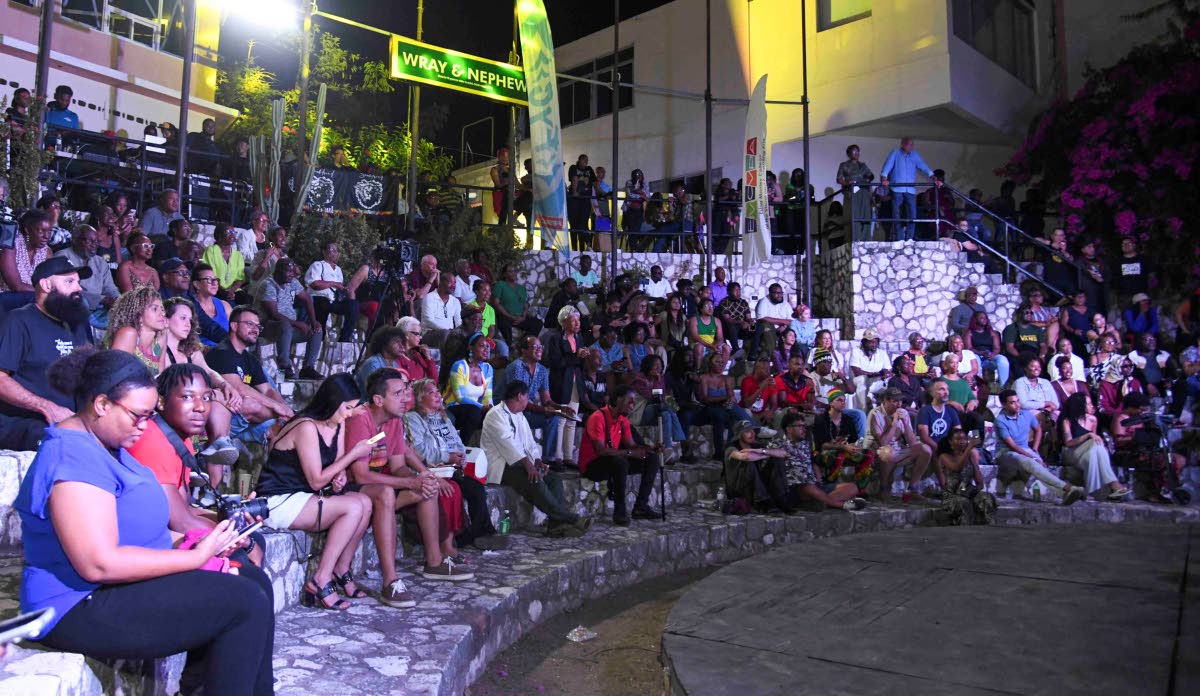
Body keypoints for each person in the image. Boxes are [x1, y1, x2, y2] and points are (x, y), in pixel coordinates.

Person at [14, 349, 275, 695]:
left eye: (150, 416)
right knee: (245, 602)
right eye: (138, 416)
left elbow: (137, 527)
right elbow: (98, 564)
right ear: (102, 404)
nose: (145, 426)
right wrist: (195, 557)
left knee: (254, 579)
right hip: (77, 604)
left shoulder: (108, 445)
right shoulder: (72, 456)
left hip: (117, 587)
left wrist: (201, 541)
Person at [346, 369, 474, 605]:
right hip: (352, 488)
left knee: (426, 488)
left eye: (405, 391)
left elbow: (398, 467)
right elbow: (360, 476)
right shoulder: (360, 419)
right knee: (387, 493)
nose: (405, 398)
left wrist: (420, 478)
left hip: (379, 484)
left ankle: (434, 561)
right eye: (398, 393)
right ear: (378, 400)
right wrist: (410, 481)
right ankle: (390, 581)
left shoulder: (394, 420)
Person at [254, 374, 376, 609]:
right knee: (352, 507)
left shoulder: (338, 423)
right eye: (348, 408)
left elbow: (336, 467)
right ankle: (321, 579)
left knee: (365, 502)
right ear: (333, 401)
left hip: (304, 496)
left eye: (353, 408)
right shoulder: (306, 427)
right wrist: (354, 454)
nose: (350, 414)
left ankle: (342, 568)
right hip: (278, 500)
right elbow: (317, 480)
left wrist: (340, 478)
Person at [127, 363, 262, 568]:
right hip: (147, 546)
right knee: (245, 556)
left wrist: (235, 518)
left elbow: (185, 508)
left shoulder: (183, 441)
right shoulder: (152, 440)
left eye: (206, 398)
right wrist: (243, 539)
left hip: (169, 532)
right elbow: (180, 521)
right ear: (161, 401)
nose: (200, 407)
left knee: (252, 540)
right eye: (188, 397)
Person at [0, 257, 93, 450]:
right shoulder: (19, 321)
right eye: (69, 281)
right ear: (46, 285)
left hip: (72, 419)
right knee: (72, 448)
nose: (78, 288)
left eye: (78, 282)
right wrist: (46, 407)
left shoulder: (76, 323)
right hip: (27, 422)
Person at [405, 378, 505, 550]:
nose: (438, 395)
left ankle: (482, 534)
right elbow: (419, 450)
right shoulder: (413, 418)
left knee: (477, 489)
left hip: (451, 468)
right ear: (420, 398)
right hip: (433, 469)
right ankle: (471, 536)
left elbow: (458, 443)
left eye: (438, 391)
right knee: (464, 490)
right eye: (431, 392)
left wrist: (461, 456)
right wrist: (447, 457)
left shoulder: (443, 417)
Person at [483, 381, 592, 536]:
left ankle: (555, 526)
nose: (528, 400)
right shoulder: (495, 415)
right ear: (520, 396)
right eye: (527, 397)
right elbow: (508, 444)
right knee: (534, 479)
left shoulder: (519, 415)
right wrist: (528, 465)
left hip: (520, 463)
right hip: (501, 467)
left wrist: (537, 461)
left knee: (554, 479)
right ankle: (571, 519)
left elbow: (529, 443)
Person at [206, 306, 294, 441]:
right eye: (250, 324)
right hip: (218, 415)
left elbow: (267, 389)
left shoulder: (250, 359)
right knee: (250, 404)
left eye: (258, 326)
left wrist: (285, 410)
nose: (255, 330)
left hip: (243, 418)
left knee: (279, 426)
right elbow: (239, 388)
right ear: (234, 326)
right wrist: (276, 407)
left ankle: (256, 435)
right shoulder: (222, 353)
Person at [579, 385, 663, 525]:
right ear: (619, 400)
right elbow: (601, 451)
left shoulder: (622, 420)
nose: (632, 406)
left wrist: (649, 448)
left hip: (613, 461)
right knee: (620, 461)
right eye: (630, 402)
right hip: (592, 466)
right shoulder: (597, 417)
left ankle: (641, 507)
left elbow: (631, 445)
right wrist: (630, 453)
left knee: (652, 459)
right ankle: (620, 511)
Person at [993, 389, 1085, 504]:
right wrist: (1032, 457)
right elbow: (1012, 445)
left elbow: (1038, 429)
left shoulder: (1026, 414)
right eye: (1012, 402)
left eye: (1018, 401)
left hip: (1024, 449)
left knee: (1040, 466)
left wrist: (1035, 449)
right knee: (1030, 462)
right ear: (1004, 405)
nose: (1017, 405)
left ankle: (1064, 494)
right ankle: (1067, 488)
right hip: (1006, 452)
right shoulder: (1000, 420)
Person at [769, 410, 866, 510]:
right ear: (789, 429)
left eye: (804, 426)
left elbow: (813, 460)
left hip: (815, 485)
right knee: (808, 487)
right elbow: (771, 460)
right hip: (797, 487)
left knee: (852, 487)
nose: (804, 429)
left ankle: (820, 503)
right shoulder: (778, 444)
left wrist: (816, 471)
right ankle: (840, 504)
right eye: (800, 426)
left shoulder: (806, 444)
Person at [506, 335, 574, 469]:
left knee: (553, 417)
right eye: (535, 347)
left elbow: (546, 400)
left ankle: (548, 460)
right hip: (509, 411)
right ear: (524, 351)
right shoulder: (516, 367)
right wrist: (543, 410)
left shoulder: (542, 370)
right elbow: (517, 400)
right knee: (547, 414)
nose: (539, 350)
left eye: (541, 347)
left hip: (524, 410)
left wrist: (561, 408)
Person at [260, 258, 323, 380]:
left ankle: (308, 368)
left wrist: (313, 321)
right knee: (285, 325)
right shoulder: (269, 285)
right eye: (289, 271)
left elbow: (307, 299)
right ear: (279, 271)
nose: (292, 274)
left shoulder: (292, 282)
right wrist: (298, 324)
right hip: (267, 327)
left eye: (293, 272)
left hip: (289, 328)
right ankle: (284, 367)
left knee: (317, 330)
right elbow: (274, 314)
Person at [865, 387, 932, 502]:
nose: (899, 404)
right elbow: (883, 443)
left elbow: (912, 442)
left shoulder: (903, 412)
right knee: (887, 451)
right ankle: (884, 489)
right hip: (876, 451)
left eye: (900, 400)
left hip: (898, 448)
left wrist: (905, 423)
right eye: (895, 401)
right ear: (886, 401)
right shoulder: (875, 413)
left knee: (926, 450)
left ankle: (912, 490)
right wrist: (895, 423)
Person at [1060, 392, 1129, 501]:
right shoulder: (1067, 421)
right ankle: (1113, 483)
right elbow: (1068, 442)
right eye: (1088, 404)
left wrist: (1094, 438)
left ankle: (1090, 493)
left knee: (1091, 456)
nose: (1092, 406)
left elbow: (1096, 448)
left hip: (1086, 453)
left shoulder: (1093, 419)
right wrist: (1087, 435)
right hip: (1071, 452)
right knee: (1094, 442)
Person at [812, 389, 876, 497]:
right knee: (839, 456)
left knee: (868, 454)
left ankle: (860, 489)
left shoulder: (848, 419)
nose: (843, 403)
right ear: (831, 403)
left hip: (845, 451)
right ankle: (831, 488)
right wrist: (843, 447)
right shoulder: (821, 419)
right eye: (839, 400)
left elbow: (854, 440)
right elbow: (822, 445)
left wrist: (855, 447)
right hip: (823, 453)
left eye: (844, 400)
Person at [55, 224, 119, 329]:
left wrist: (119, 301)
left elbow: (110, 288)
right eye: (90, 241)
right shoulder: (63, 257)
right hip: (73, 306)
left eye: (97, 241)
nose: (94, 245)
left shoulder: (100, 262)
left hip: (100, 309)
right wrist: (102, 299)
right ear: (75, 240)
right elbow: (66, 290)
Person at [724, 420, 794, 513]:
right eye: (747, 431)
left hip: (754, 487)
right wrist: (765, 455)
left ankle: (781, 499)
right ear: (739, 435)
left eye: (752, 430)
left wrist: (762, 451)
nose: (752, 433)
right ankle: (763, 502)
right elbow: (745, 457)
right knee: (748, 464)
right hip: (739, 489)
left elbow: (783, 453)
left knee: (777, 460)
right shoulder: (731, 448)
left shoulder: (756, 445)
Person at [934, 427, 997, 525]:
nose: (962, 442)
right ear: (950, 441)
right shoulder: (944, 457)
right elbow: (957, 468)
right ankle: (965, 529)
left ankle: (989, 526)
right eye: (958, 439)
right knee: (964, 502)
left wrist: (971, 491)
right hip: (951, 495)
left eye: (964, 439)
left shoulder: (970, 457)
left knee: (986, 498)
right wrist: (969, 449)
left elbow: (980, 482)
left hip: (968, 492)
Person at [879, 137, 938, 241]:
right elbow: (888, 165)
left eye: (912, 144)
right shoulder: (895, 153)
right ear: (902, 144)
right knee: (897, 215)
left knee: (912, 214)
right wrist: (884, 178)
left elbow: (923, 166)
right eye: (909, 144)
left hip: (910, 190)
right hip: (897, 189)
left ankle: (909, 238)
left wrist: (932, 176)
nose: (911, 146)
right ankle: (900, 239)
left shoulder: (915, 155)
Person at [442, 332, 494, 446]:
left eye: (487, 346)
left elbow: (488, 396)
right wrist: (482, 407)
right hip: (453, 407)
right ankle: (462, 446)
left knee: (496, 415)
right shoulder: (459, 365)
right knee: (474, 412)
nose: (486, 349)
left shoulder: (488, 369)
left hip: (475, 410)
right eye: (482, 346)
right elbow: (460, 397)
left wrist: (491, 408)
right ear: (471, 347)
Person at [305, 240, 359, 343]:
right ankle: (319, 338)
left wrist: (344, 290)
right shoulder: (318, 265)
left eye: (336, 251)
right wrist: (334, 284)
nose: (334, 253)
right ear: (324, 252)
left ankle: (344, 338)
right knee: (323, 303)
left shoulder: (338, 270)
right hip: (318, 298)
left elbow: (339, 287)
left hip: (334, 300)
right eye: (331, 250)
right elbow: (314, 284)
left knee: (353, 305)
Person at [0, 209, 52, 295]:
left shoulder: (46, 251)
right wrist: (48, 292)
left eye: (49, 231)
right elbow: (17, 286)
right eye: (41, 231)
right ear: (27, 230)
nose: (46, 236)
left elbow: (50, 281)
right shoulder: (11, 246)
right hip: (7, 299)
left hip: (34, 298)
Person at [492, 262, 543, 342]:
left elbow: (525, 304)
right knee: (503, 322)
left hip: (519, 317)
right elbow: (496, 304)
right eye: (510, 271)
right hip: (506, 316)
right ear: (504, 274)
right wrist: (510, 316)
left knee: (538, 323)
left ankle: (524, 344)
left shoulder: (521, 288)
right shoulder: (500, 285)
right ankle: (509, 345)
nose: (513, 273)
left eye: (515, 271)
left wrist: (523, 316)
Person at [836, 144, 876, 240]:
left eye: (858, 151)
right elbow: (839, 179)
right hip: (852, 192)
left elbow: (871, 175)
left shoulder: (863, 165)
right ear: (849, 153)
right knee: (855, 214)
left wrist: (866, 180)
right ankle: (856, 237)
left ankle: (866, 238)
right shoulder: (844, 165)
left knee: (865, 214)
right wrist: (847, 183)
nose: (857, 153)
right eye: (854, 151)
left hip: (863, 191)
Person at [200, 225, 246, 303]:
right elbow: (209, 275)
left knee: (244, 300)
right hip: (214, 288)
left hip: (233, 291)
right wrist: (223, 292)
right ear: (219, 235)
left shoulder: (238, 255)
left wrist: (231, 291)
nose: (232, 235)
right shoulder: (210, 251)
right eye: (228, 232)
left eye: (234, 232)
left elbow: (240, 278)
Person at [1127, 332, 1180, 398]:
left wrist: (1169, 380)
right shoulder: (1134, 356)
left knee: (1181, 385)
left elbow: (1172, 371)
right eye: (1147, 340)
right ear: (1140, 342)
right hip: (1142, 387)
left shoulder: (1163, 355)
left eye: (1153, 339)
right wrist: (1147, 385)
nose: (1151, 341)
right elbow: (1135, 374)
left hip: (1162, 386)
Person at [191, 262, 232, 347]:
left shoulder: (225, 305)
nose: (214, 283)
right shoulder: (190, 308)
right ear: (197, 284)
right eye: (208, 279)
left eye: (216, 279)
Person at [848, 330, 891, 411]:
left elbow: (887, 369)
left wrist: (884, 374)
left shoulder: (882, 353)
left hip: (877, 382)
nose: (873, 345)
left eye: (875, 342)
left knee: (892, 382)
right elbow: (856, 371)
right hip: (859, 382)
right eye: (870, 342)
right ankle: (862, 411)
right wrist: (873, 374)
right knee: (862, 379)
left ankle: (888, 411)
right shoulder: (856, 351)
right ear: (864, 342)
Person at [752, 283, 794, 360]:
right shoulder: (763, 302)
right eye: (777, 293)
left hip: (783, 329)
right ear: (770, 293)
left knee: (793, 330)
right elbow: (761, 319)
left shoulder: (785, 304)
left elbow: (791, 320)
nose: (780, 295)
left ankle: (789, 357)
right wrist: (782, 322)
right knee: (768, 327)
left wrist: (784, 326)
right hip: (767, 329)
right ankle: (770, 357)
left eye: (781, 293)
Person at [392, 315, 438, 381]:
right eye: (417, 334)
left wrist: (428, 357)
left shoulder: (416, 355)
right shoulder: (396, 358)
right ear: (406, 335)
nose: (420, 337)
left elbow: (434, 380)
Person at [967, 311, 1007, 385]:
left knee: (1003, 360)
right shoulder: (969, 332)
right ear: (975, 320)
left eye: (985, 318)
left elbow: (997, 348)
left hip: (989, 357)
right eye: (981, 318)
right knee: (975, 358)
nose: (984, 319)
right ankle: (978, 385)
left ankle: (1003, 386)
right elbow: (968, 348)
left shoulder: (992, 332)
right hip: (976, 355)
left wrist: (992, 354)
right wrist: (980, 353)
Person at [688, 297, 728, 366]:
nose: (710, 308)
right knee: (699, 347)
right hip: (698, 344)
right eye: (707, 306)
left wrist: (716, 346)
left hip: (712, 345)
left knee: (726, 348)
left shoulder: (716, 320)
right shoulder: (694, 319)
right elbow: (696, 338)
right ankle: (698, 370)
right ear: (701, 309)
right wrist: (711, 346)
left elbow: (720, 338)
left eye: (712, 306)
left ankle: (721, 369)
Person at [717, 282, 753, 356]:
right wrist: (741, 322)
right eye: (735, 290)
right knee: (732, 326)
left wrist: (751, 322)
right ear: (729, 292)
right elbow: (728, 319)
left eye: (739, 290)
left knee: (758, 327)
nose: (738, 292)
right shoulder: (724, 302)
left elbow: (748, 317)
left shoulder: (743, 302)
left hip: (743, 328)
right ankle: (736, 350)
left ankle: (753, 353)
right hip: (729, 329)